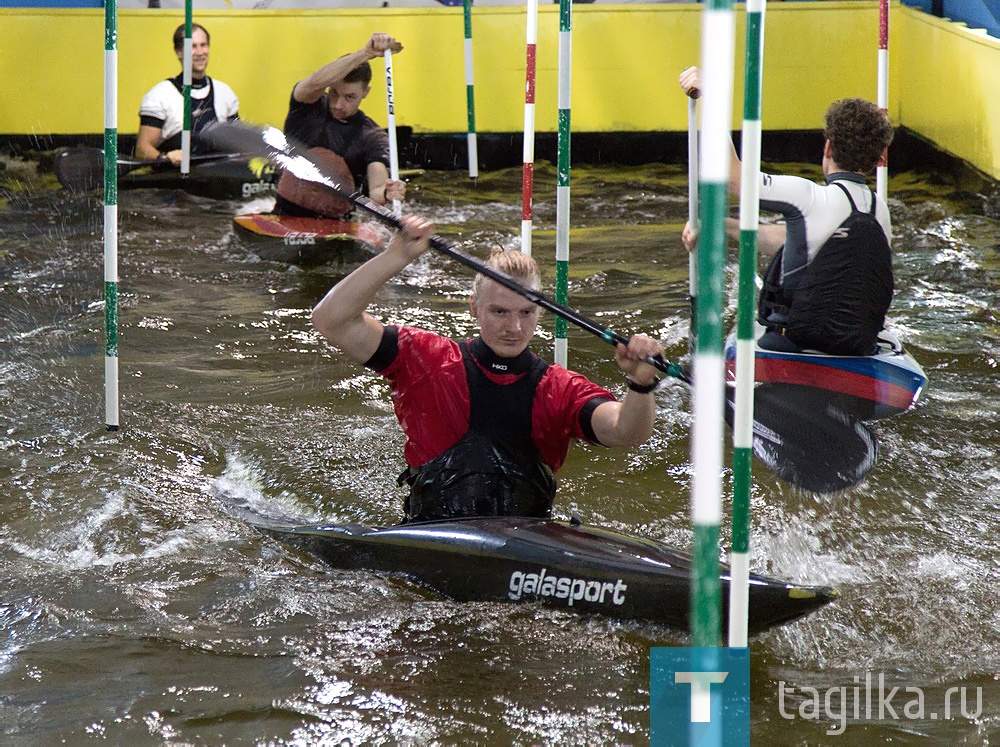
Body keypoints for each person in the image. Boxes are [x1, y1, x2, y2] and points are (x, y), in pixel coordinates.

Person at [311, 215, 665, 523]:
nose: (514, 327)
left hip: (526, 541)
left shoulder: (559, 388)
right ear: (474, 307)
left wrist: (640, 383)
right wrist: (396, 256)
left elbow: (626, 431)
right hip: (430, 530)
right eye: (500, 312)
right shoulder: (427, 359)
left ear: (540, 313)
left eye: (526, 313)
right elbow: (331, 320)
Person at [679, 66, 895, 356]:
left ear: (828, 148)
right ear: (878, 156)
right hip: (857, 347)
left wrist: (713, 98)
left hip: (793, 344)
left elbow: (731, 178)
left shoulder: (808, 196)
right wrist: (721, 226)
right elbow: (807, 244)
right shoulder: (879, 211)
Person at [273, 32, 406, 217]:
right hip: (286, 213)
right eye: (334, 93)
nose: (338, 104)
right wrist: (366, 53)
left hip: (337, 222)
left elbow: (376, 189)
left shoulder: (372, 136)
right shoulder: (307, 106)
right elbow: (313, 82)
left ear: (365, 92)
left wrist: (387, 192)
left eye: (349, 97)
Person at [135, 22, 239, 165]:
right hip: (175, 181)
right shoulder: (160, 95)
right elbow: (142, 150)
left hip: (217, 180)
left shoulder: (225, 93)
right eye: (192, 46)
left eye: (203, 45)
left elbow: (239, 143)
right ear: (178, 52)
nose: (200, 52)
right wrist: (166, 159)